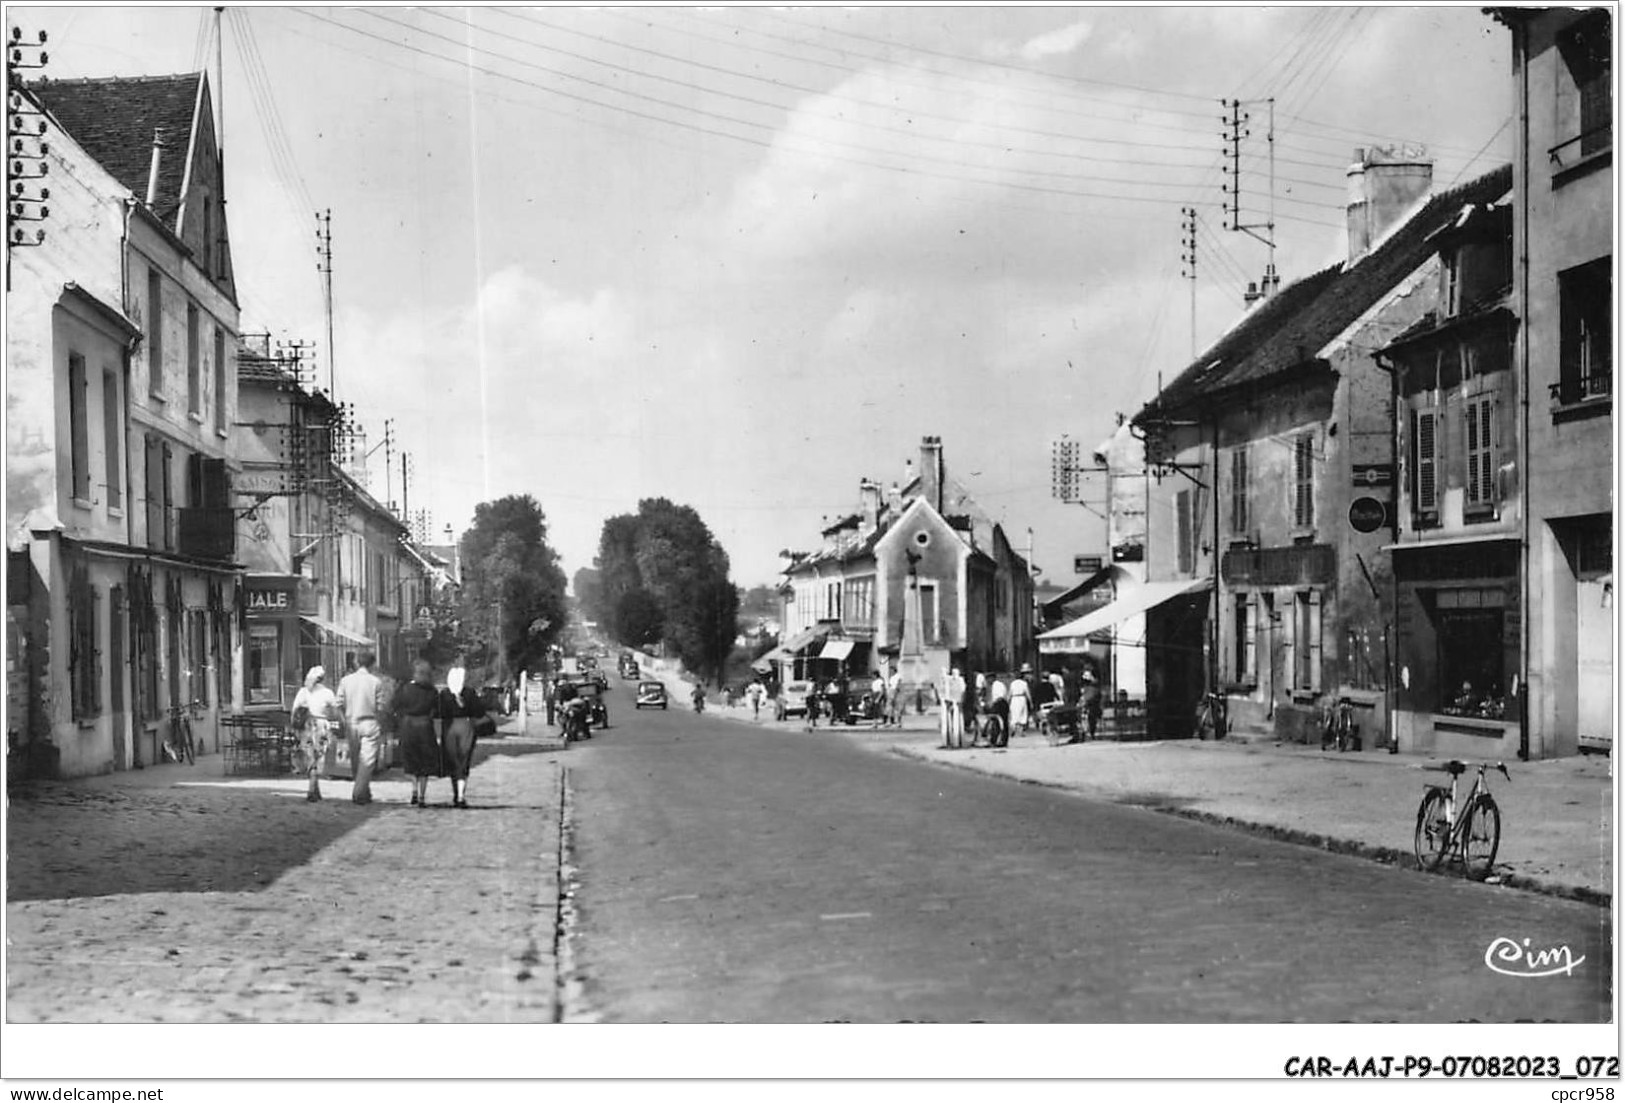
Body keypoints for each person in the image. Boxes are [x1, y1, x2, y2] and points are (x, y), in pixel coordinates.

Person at [393, 658, 442, 808]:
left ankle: (414, 789)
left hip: (408, 726)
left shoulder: (405, 688)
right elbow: (438, 710)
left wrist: (402, 716)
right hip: (425, 726)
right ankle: (422, 795)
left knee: (411, 760)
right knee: (425, 762)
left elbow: (395, 705)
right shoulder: (432, 691)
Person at [438, 663, 487, 809]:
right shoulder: (470, 693)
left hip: (449, 727)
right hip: (466, 727)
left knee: (453, 761)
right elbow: (479, 712)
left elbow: (438, 712)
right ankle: (461, 795)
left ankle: (456, 793)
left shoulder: (445, 694)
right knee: (464, 761)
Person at [337, 650, 383, 805]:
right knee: (367, 761)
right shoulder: (376, 682)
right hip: (369, 721)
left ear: (356, 662)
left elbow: (338, 704)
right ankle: (359, 792)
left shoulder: (346, 681)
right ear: (372, 664)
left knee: (356, 760)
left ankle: (364, 791)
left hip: (352, 722)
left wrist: (344, 720)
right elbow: (381, 706)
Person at [291, 666, 341, 802]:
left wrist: (295, 729)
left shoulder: (302, 692)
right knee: (317, 758)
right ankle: (313, 789)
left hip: (306, 726)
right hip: (321, 725)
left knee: (310, 756)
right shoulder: (327, 693)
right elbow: (335, 712)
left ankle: (314, 788)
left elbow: (294, 710)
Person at [1009, 665, 1034, 735]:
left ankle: (1013, 728)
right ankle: (1022, 730)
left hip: (1014, 699)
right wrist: (1031, 702)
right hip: (1022, 698)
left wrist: (1008, 701)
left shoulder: (1012, 684)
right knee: (1023, 714)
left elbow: (1010, 693)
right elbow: (1028, 693)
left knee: (1014, 714)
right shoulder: (1024, 683)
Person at [1082, 671, 1103, 741]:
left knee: (1090, 717)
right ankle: (1089, 733)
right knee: (1089, 717)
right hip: (1092, 707)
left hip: (1092, 708)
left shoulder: (1091, 688)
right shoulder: (1091, 688)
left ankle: (1089, 733)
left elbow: (1089, 698)